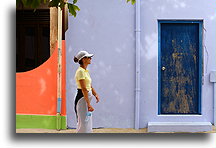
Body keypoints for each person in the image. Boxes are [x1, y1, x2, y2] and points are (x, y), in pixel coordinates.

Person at [74, 50, 100, 133]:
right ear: (83, 59)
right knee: (83, 123)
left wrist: (95, 94)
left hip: (86, 98)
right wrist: (89, 105)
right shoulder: (80, 72)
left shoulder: (85, 71)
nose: (90, 59)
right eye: (89, 57)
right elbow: (84, 89)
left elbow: (90, 86)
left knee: (87, 122)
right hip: (82, 99)